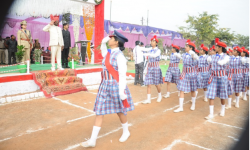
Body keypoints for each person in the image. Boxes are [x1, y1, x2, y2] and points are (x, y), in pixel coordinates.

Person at [80, 30, 134, 147]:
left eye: (111, 38)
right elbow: (104, 53)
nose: (109, 39)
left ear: (116, 42)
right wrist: (103, 43)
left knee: (120, 111)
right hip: (104, 85)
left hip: (115, 85)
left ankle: (126, 131)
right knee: (99, 112)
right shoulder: (109, 53)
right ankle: (92, 140)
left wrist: (121, 91)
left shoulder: (119, 56)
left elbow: (122, 75)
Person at [205, 38, 230, 120]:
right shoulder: (213, 56)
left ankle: (223, 110)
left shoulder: (226, 57)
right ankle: (211, 114)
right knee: (211, 95)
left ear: (220, 48)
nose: (214, 48)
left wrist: (215, 59)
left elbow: (222, 62)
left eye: (216, 46)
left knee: (222, 95)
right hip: (213, 77)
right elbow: (208, 60)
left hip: (222, 78)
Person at [174, 39, 199, 113]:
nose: (185, 47)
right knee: (181, 89)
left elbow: (196, 59)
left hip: (192, 74)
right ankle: (180, 107)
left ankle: (193, 104)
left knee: (192, 90)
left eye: (187, 46)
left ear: (191, 48)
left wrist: (192, 53)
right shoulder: (184, 54)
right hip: (184, 73)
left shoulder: (194, 55)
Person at [142, 35, 163, 104]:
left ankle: (159, 95)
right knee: (148, 84)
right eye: (151, 41)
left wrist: (147, 54)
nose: (152, 42)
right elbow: (144, 50)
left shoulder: (158, 50)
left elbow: (154, 55)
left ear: (156, 43)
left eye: (153, 41)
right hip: (150, 68)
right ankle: (148, 99)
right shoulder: (150, 49)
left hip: (156, 68)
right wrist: (140, 50)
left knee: (157, 84)